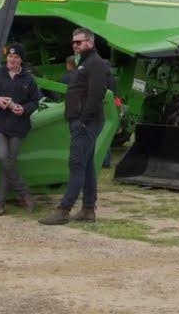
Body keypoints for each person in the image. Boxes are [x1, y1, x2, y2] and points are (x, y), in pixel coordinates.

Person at [40, 27, 110, 226]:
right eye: (73, 42)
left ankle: (64, 209)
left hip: (86, 123)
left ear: (90, 42)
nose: (75, 46)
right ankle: (88, 210)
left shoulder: (95, 64)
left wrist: (83, 120)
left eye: (79, 42)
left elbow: (97, 95)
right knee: (87, 167)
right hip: (81, 122)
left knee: (76, 165)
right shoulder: (85, 63)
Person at [0, 43, 41, 216]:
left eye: (16, 57)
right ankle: (24, 193)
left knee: (7, 163)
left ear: (21, 60)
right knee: (3, 157)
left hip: (18, 126)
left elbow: (35, 102)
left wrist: (24, 109)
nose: (12, 59)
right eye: (10, 56)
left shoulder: (28, 79)